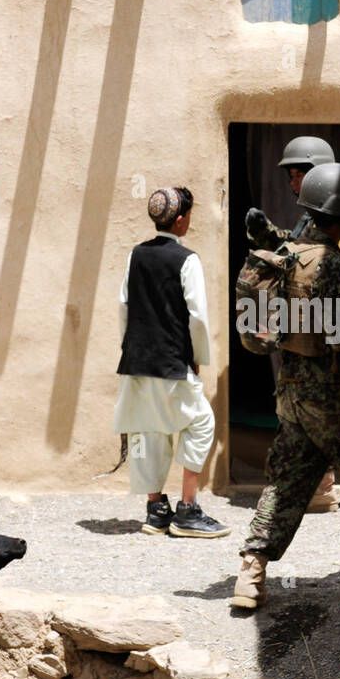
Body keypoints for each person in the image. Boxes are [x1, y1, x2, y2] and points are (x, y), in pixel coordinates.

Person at [233, 163, 340, 609]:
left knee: (288, 480)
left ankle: (251, 570)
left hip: (289, 393)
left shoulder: (285, 258)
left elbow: (270, 329)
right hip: (333, 394)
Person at [245, 134, 340, 513]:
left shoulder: (329, 219)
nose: (294, 183)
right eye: (291, 176)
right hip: (316, 326)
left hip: (323, 327)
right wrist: (268, 235)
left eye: (300, 174)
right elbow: (294, 252)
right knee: (335, 405)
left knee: (329, 406)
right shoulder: (314, 216)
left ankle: (333, 486)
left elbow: (309, 263)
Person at [113, 186, 230, 538]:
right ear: (181, 220)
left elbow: (123, 305)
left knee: (149, 428)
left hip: (137, 358)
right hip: (172, 361)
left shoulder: (136, 255)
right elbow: (197, 316)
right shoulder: (187, 259)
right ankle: (188, 509)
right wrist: (197, 357)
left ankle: (156, 510)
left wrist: (129, 346)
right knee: (201, 423)